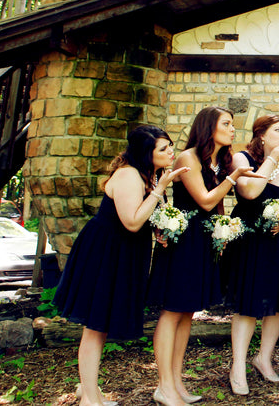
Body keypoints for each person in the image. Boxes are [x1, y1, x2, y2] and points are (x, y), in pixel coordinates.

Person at [54, 126, 187, 406]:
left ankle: (89, 389)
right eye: (163, 149)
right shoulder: (128, 175)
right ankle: (89, 397)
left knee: (100, 324)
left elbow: (145, 218)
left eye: (170, 146)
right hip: (105, 253)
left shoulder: (146, 176)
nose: (170, 152)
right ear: (145, 153)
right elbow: (132, 221)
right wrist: (160, 190)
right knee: (95, 324)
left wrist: (161, 229)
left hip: (125, 253)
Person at [147, 107, 262, 406]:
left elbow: (218, 209)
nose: (233, 129)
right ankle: (163, 384)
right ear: (209, 127)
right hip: (183, 240)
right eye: (226, 124)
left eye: (233, 124)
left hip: (204, 240)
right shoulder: (189, 157)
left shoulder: (218, 161)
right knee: (172, 311)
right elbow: (206, 200)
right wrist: (234, 178)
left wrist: (222, 232)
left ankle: (176, 381)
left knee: (187, 313)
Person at [225, 115, 279, 395]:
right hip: (252, 241)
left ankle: (264, 358)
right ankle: (237, 366)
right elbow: (249, 191)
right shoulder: (242, 160)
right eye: (277, 130)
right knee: (248, 302)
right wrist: (271, 160)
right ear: (261, 136)